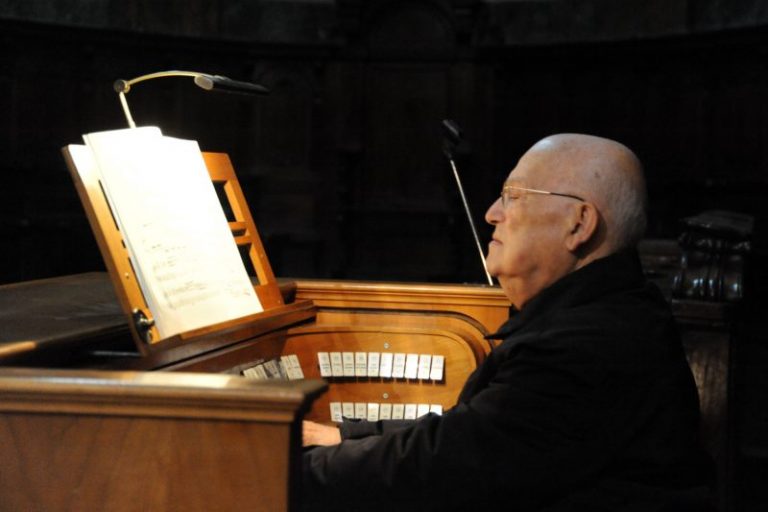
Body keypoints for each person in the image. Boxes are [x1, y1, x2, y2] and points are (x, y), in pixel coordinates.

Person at [301, 134, 713, 511]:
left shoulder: (586, 345)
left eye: (513, 196)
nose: (492, 213)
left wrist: (283, 469)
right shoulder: (601, 314)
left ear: (579, 223)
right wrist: (344, 436)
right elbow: (477, 433)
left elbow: (447, 465)